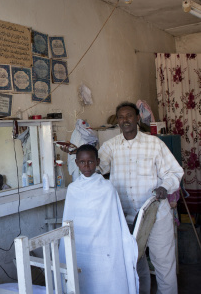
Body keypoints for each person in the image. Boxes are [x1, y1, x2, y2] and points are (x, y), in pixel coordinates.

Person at [62, 101, 183, 294]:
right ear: (117, 121)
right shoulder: (111, 147)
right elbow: (94, 166)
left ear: (137, 118)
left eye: (129, 116)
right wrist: (76, 154)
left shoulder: (155, 144)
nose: (125, 120)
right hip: (125, 218)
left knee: (163, 265)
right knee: (132, 264)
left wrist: (164, 187)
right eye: (121, 117)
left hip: (155, 214)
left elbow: (174, 172)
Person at [61, 144, 138, 294]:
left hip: (103, 245)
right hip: (81, 244)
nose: (87, 166)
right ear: (77, 163)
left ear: (97, 161)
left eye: (90, 161)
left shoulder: (107, 188)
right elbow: (70, 218)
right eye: (82, 162)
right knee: (81, 276)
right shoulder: (73, 189)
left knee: (104, 278)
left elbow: (113, 222)